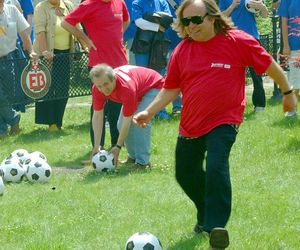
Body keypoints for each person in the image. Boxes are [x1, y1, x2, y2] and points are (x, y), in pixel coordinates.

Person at [133, 0, 296, 249]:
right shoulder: (182, 51)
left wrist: (287, 92)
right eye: (186, 22)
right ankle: (205, 215)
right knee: (185, 174)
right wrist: (148, 111)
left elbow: (269, 65)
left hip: (225, 120)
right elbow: (170, 89)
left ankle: (216, 226)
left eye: (196, 20)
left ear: (212, 17)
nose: (191, 26)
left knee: (217, 165)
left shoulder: (237, 41)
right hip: (191, 123)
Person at [61, 0, 130, 162]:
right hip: (99, 64)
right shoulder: (88, 4)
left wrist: (118, 36)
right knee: (99, 107)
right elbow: (66, 23)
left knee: (117, 107)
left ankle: (116, 147)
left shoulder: (119, 2)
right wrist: (86, 39)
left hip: (120, 63)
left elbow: (126, 20)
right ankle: (97, 148)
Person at [90, 64, 164, 170]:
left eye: (106, 84)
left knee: (139, 122)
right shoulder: (97, 89)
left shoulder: (126, 87)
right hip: (137, 88)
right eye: (99, 86)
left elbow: (128, 121)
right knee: (120, 125)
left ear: (114, 79)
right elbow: (97, 116)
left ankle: (143, 163)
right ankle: (133, 157)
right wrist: (97, 146)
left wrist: (118, 146)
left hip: (153, 86)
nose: (103, 89)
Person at [33, 0, 80, 131]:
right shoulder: (41, 7)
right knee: (48, 89)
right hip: (48, 54)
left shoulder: (68, 5)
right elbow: (40, 31)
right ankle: (51, 123)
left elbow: (77, 27)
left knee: (63, 90)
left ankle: (58, 121)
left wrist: (85, 45)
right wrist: (44, 51)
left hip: (65, 54)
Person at [219, 0, 268, 112]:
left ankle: (259, 105)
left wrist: (262, 7)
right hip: (231, 39)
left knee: (256, 74)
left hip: (252, 38)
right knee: (231, 75)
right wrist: (232, 6)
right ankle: (232, 106)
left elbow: (265, 15)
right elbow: (220, 18)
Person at [0, 0, 38, 139]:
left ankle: (3, 129)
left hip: (10, 58)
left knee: (8, 95)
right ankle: (12, 120)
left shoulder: (12, 10)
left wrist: (31, 51)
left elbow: (24, 34)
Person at [131, 0, 173, 119]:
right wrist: (157, 25)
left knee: (159, 77)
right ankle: (142, 110)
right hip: (142, 44)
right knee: (142, 77)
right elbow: (139, 22)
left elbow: (168, 20)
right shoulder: (137, 3)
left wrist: (149, 19)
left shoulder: (162, 2)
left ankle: (160, 111)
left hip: (159, 43)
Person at [277, 0, 300, 117]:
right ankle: (291, 111)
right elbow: (284, 22)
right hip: (295, 45)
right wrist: (286, 45)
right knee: (295, 80)